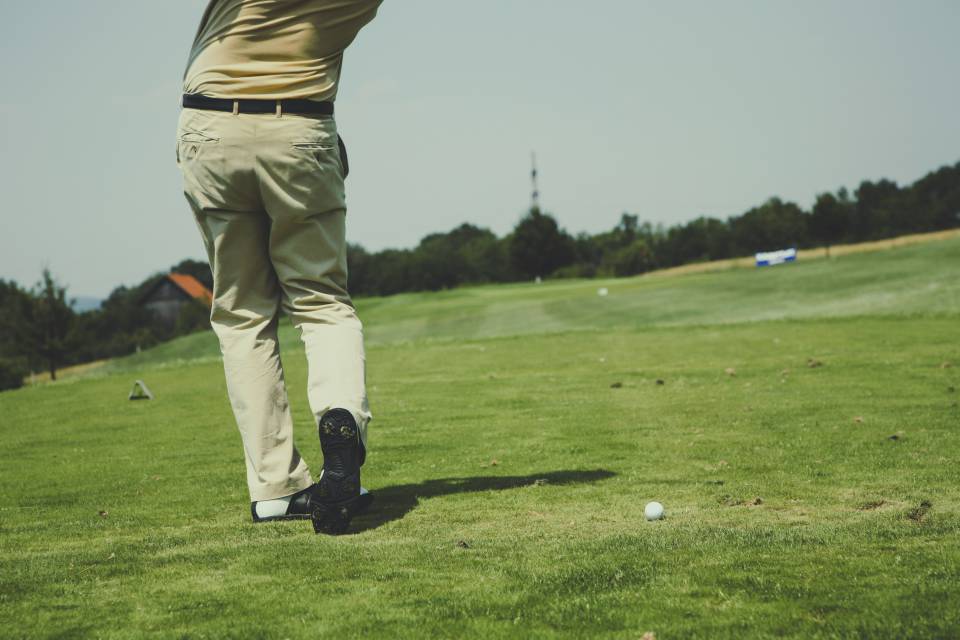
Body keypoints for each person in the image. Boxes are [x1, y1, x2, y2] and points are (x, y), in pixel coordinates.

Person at [175, 0, 383, 534]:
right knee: (321, 302)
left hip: (210, 124)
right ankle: (339, 419)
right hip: (301, 128)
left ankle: (275, 489)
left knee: (242, 314)